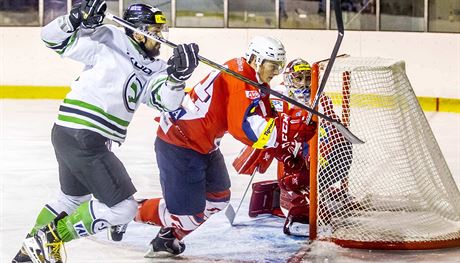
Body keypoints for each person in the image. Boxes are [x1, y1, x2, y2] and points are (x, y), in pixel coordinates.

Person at [13, 1, 199, 263]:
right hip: (84, 134)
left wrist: (178, 77)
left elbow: (167, 103)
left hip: (72, 134)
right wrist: (75, 19)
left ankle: (26, 255)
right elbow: (51, 38)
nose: (161, 38)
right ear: (138, 32)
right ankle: (47, 240)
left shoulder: (157, 68)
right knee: (123, 208)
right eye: (156, 32)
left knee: (72, 199)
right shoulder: (108, 38)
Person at [133, 36, 317, 257]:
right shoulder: (242, 81)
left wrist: (285, 149)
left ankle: (167, 239)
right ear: (256, 59)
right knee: (186, 215)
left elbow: (268, 118)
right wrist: (290, 131)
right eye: (273, 65)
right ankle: (126, 212)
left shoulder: (250, 75)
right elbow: (245, 129)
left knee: (217, 199)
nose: (276, 71)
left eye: (279, 65)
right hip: (181, 142)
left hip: (204, 145)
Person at [236, 58, 353, 236]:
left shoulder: (320, 98)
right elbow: (268, 132)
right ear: (290, 79)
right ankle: (296, 196)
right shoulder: (276, 96)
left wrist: (327, 148)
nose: (304, 84)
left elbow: (332, 130)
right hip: (286, 153)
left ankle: (312, 187)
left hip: (311, 150)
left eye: (308, 78)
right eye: (299, 78)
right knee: (291, 174)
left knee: (339, 151)